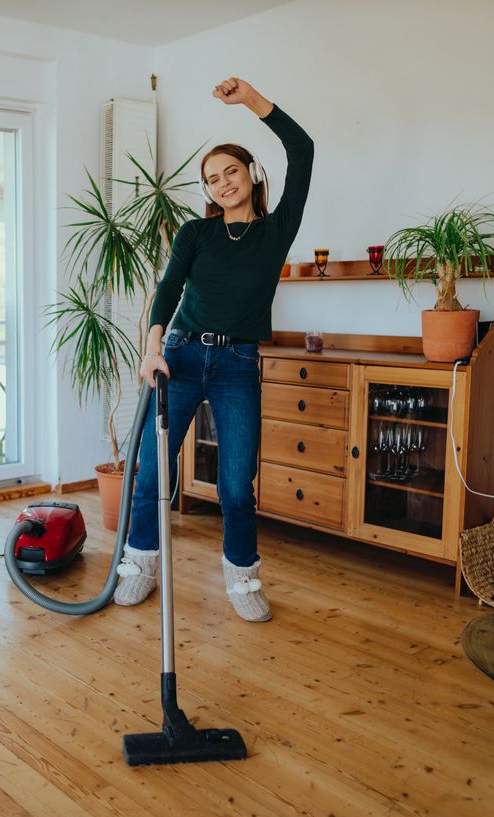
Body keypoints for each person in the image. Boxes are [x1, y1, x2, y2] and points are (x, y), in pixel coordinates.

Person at [113, 77, 314, 621]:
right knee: (153, 473)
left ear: (251, 174)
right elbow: (167, 293)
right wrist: (151, 349)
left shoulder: (277, 231)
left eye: (231, 171)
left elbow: (303, 147)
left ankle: (243, 578)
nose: (223, 183)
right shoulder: (194, 235)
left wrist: (251, 99)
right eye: (212, 178)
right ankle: (139, 564)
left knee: (234, 485)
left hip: (237, 365)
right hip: (177, 357)